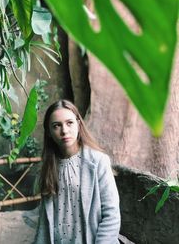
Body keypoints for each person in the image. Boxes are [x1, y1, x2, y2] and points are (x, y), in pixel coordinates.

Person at [34, 99, 121, 244]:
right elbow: (45, 218)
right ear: (49, 132)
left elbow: (111, 214)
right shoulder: (48, 166)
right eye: (56, 126)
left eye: (69, 123)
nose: (64, 131)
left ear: (78, 124)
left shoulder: (98, 161)